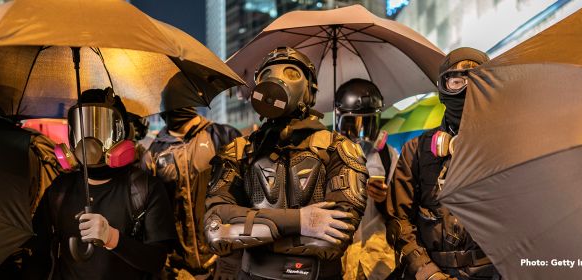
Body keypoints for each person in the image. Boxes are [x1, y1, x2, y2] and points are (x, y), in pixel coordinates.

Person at [203, 47, 369, 280]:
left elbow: (334, 240)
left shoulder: (339, 149)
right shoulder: (238, 151)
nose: (277, 79)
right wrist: (301, 221)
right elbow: (216, 230)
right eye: (267, 74)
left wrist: (249, 232)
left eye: (292, 73)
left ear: (310, 91)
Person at [22, 88, 177, 279]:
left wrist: (112, 238)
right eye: (82, 128)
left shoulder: (145, 188)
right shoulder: (59, 189)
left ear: (123, 133)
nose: (89, 140)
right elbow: (37, 258)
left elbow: (156, 260)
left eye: (102, 129)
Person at [373, 47, 501, 280]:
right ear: (443, 88)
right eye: (456, 81)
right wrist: (427, 272)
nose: (466, 89)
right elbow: (398, 222)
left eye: (476, 79)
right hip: (433, 272)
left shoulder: (508, 146)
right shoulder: (417, 151)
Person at [141, 106, 242, 279]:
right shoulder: (153, 153)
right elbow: (151, 220)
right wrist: (167, 266)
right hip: (179, 269)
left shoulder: (224, 137)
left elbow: (246, 201)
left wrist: (233, 258)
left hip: (224, 262)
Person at [334, 79, 398, 280]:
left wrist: (385, 200)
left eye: (368, 123)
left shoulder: (388, 156)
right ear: (339, 119)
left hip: (378, 263)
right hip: (338, 260)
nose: (361, 133)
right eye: (353, 124)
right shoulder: (328, 155)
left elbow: (402, 210)